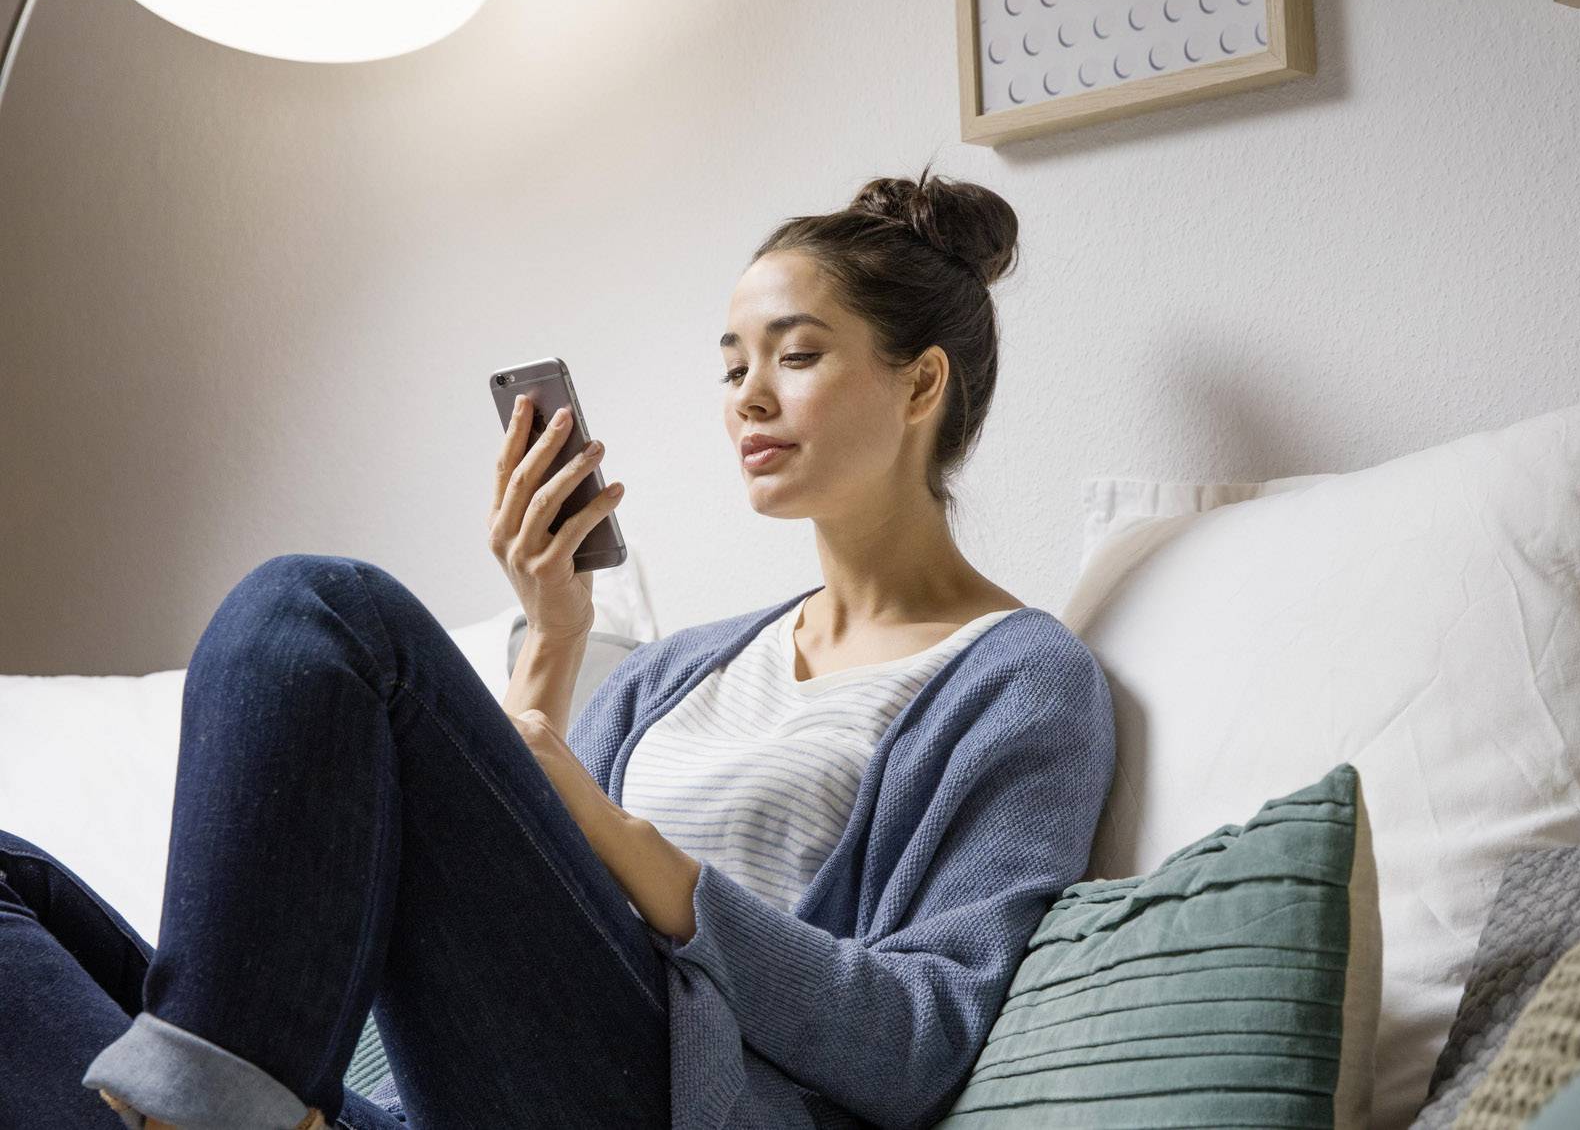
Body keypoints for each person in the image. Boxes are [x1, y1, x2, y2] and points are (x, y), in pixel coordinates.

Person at [0, 167, 1118, 1129]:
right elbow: (514, 893)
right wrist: (553, 630)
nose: (748, 399)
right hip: (493, 1089)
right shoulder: (680, 670)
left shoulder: (1018, 682)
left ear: (920, 381)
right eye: (731, 367)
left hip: (687, 1102)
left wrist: (623, 836)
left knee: (316, 613)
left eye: (797, 354)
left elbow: (921, 1037)